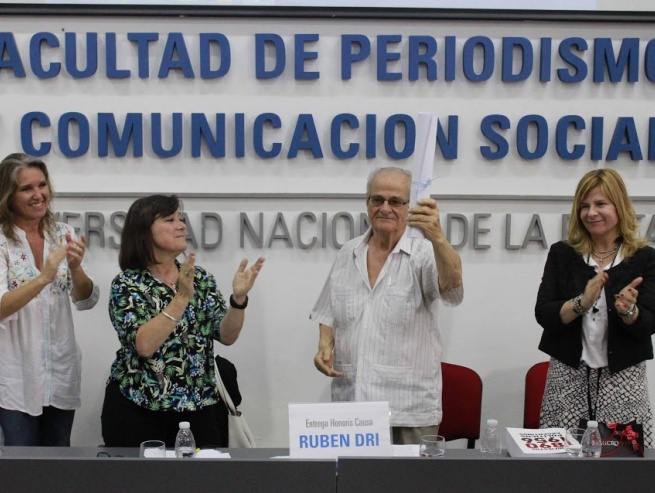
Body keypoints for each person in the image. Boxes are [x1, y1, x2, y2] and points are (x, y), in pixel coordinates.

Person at [310, 167, 463, 445]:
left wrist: (438, 237)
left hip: (408, 410)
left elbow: (452, 287)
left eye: (395, 201)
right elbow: (328, 310)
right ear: (367, 202)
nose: (385, 208)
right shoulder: (348, 252)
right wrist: (324, 345)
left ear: (409, 207)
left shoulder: (426, 253)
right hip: (352, 408)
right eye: (377, 199)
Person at [101, 194, 264, 448]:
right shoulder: (128, 284)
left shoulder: (200, 278)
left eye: (181, 218)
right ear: (144, 231)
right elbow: (144, 346)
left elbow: (227, 335)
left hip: (199, 408)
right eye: (170, 220)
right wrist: (181, 298)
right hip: (139, 409)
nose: (181, 225)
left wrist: (238, 300)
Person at [535, 168, 655, 446]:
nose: (591, 213)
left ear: (619, 206)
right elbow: (544, 313)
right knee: (561, 464)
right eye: (584, 206)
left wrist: (628, 311)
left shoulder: (644, 258)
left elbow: (649, 323)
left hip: (623, 379)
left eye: (600, 204)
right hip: (567, 376)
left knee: (622, 465)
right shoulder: (562, 253)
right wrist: (581, 303)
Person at [0, 153, 99, 446]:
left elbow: (85, 299)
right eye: (26, 188)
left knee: (58, 467)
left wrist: (76, 267)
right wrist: (43, 277)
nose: (38, 195)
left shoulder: (62, 233)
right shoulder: (2, 240)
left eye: (42, 185)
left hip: (60, 369)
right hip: (16, 376)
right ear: (8, 195)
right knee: (20, 471)